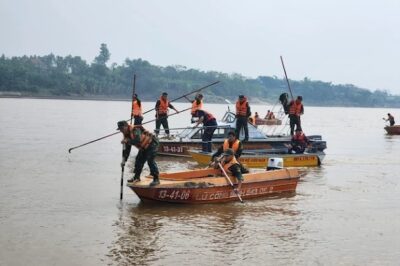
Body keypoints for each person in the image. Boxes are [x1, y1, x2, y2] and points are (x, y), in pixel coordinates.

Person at [117, 121, 160, 186]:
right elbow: (127, 150)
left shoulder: (135, 129)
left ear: (126, 127)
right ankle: (136, 177)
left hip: (152, 144)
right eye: (120, 129)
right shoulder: (126, 135)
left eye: (122, 129)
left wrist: (128, 141)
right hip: (144, 147)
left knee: (150, 161)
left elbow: (138, 140)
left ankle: (156, 179)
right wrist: (124, 161)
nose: (121, 131)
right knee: (138, 160)